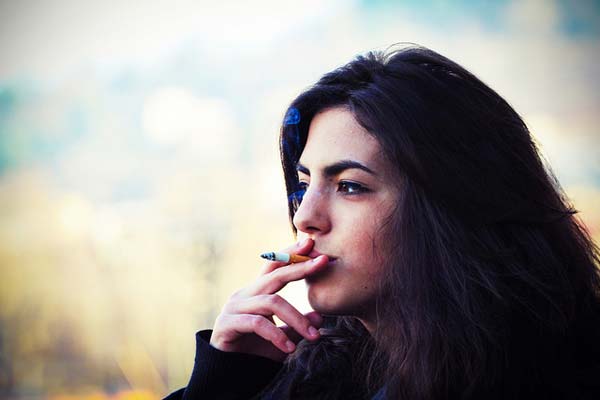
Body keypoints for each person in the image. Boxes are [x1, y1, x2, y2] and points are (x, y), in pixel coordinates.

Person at [163, 43, 600, 399]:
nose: (305, 217)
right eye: (304, 184)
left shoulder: (555, 377)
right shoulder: (313, 373)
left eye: (350, 186)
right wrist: (227, 380)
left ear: (449, 208)